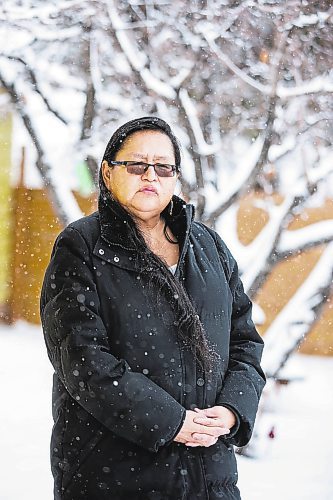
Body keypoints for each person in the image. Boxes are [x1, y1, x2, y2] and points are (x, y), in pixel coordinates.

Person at [40, 116, 266, 500]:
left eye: (163, 167)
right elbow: (83, 360)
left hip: (209, 479)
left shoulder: (209, 247)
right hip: (113, 477)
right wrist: (172, 421)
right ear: (108, 173)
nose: (151, 176)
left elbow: (245, 343)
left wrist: (231, 410)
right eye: (137, 165)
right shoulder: (81, 247)